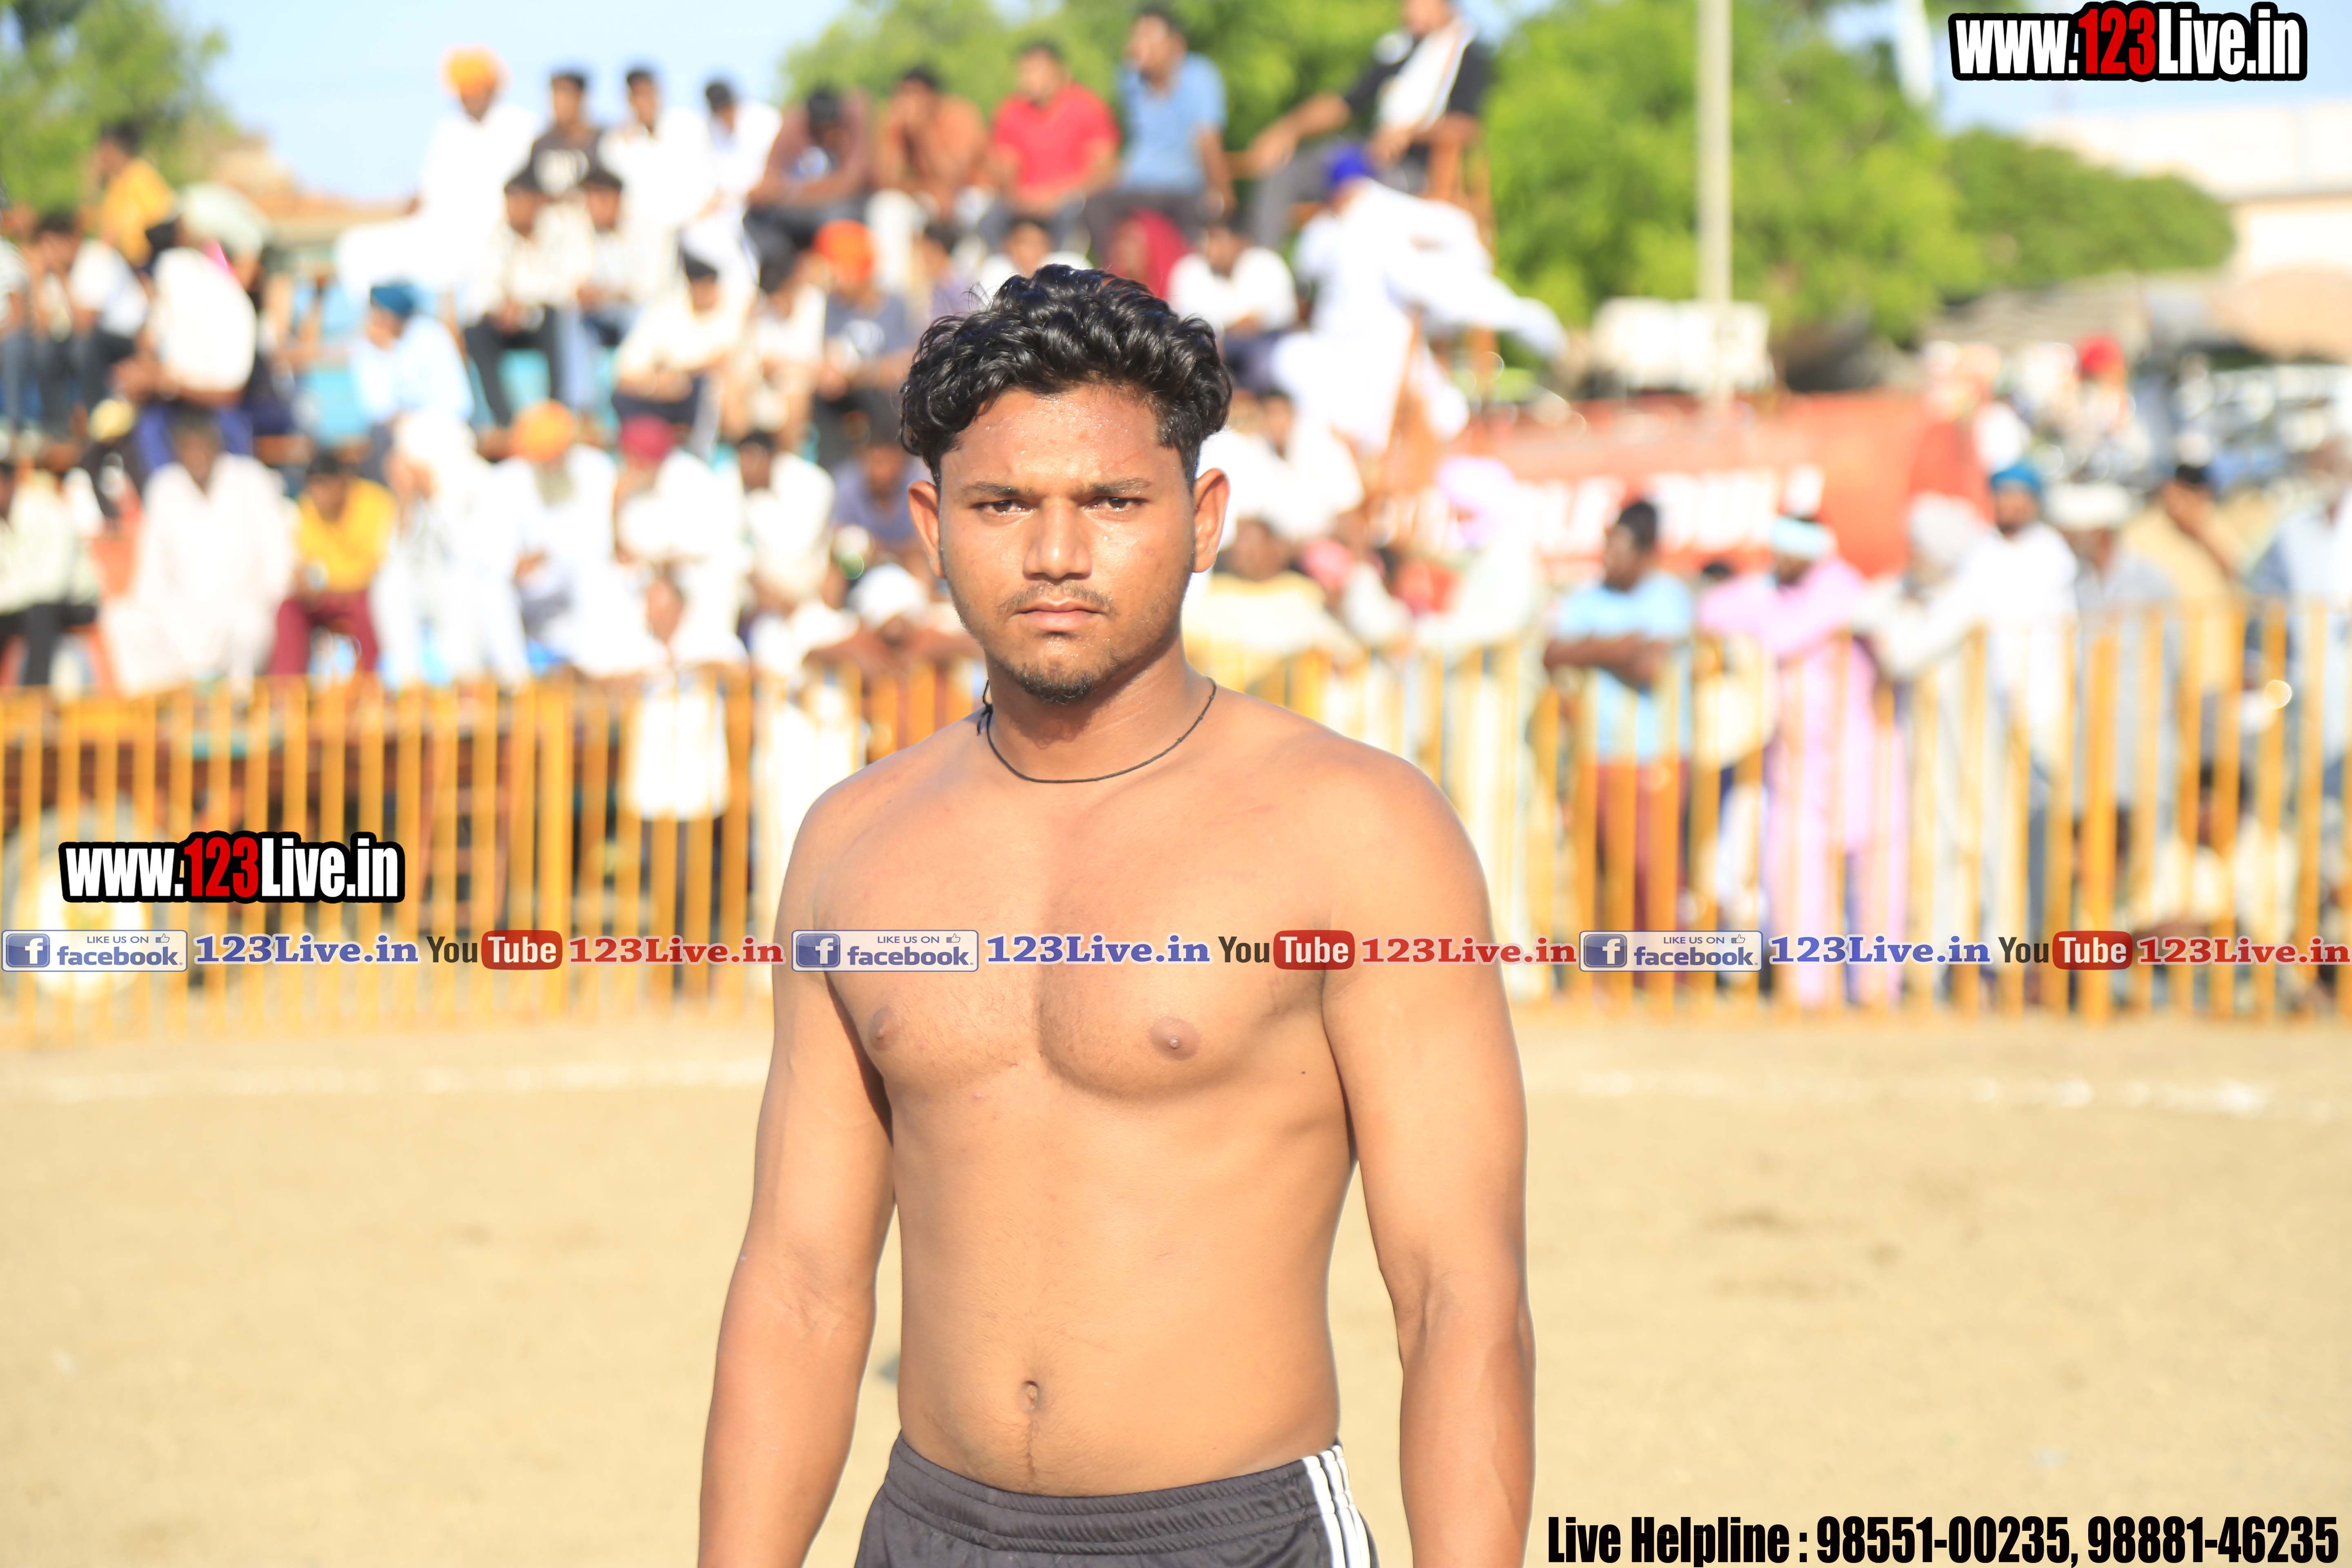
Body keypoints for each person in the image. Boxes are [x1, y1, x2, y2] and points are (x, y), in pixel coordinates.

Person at [697, 263, 1532, 1568]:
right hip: (928, 1534)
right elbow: (800, 1285)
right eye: (1002, 505)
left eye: (1113, 502)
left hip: (1235, 1538)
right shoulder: (854, 843)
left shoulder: (1359, 833)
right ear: (931, 523)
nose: (1056, 554)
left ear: (1203, 517)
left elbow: (1457, 1293)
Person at [1696, 516, 1898, 1006]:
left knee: (1874, 882)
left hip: (1858, 758)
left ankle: (1876, 990)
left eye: (1790, 552)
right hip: (1794, 763)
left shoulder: (1842, 588)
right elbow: (1711, 610)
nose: (1780, 561)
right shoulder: (1774, 591)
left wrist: (1756, 619)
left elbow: (1785, 636)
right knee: (1792, 875)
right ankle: (1807, 990)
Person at [1544, 499, 1693, 932]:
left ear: (1646, 552)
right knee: (1601, 876)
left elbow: (1648, 666)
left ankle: (1666, 967)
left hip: (1655, 754)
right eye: (1606, 546)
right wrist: (1621, 645)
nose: (1608, 557)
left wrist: (1588, 647)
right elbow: (1551, 653)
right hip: (1595, 752)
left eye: (1619, 548)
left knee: (1652, 873)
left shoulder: (1669, 597)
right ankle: (1613, 966)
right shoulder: (1586, 596)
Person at [1241, 0, 1494, 248]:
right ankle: (1261, 262)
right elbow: (1345, 103)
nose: (1406, 11)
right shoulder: (1401, 49)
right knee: (1284, 172)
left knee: (1355, 198)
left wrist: (1409, 134)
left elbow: (1466, 126)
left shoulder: (1469, 55)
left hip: (1414, 171)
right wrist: (1288, 130)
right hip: (1370, 156)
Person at [107, 411, 294, 693]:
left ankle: (237, 706)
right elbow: (152, 571)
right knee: (122, 619)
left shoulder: (250, 479)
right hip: (185, 616)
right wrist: (166, 613)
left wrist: (265, 598)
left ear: (216, 446)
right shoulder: (165, 488)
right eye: (188, 448)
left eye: (202, 447)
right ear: (176, 452)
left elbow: (278, 557)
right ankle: (161, 707)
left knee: (251, 628)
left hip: (243, 608)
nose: (196, 456)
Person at [335, 48, 538, 298]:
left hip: (492, 235)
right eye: (463, 90)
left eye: (475, 88)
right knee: (355, 246)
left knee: (454, 268)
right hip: (437, 231)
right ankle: (379, 318)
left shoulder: (522, 126)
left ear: (491, 88)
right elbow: (428, 192)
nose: (468, 96)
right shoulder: (448, 130)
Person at [1085, 7, 1232, 247]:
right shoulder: (1129, 79)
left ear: (1176, 44)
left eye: (1148, 37)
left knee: (1197, 225)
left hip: (1184, 187)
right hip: (1138, 183)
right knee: (1094, 206)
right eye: (1135, 37)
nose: (1137, 46)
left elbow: (1208, 142)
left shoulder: (1200, 75)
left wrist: (1222, 192)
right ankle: (1114, 269)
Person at [462, 171, 590, 429]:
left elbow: (570, 286)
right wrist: (500, 308)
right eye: (509, 203)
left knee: (558, 319)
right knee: (475, 332)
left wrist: (525, 303)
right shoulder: (498, 237)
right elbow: (481, 290)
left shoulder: (560, 233)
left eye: (519, 202)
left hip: (542, 319)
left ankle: (557, 412)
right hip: (506, 323)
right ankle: (505, 421)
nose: (513, 210)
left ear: (537, 203)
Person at [981, 41, 1119, 251]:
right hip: (1023, 202)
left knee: (1073, 217)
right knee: (989, 222)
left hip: (1071, 199)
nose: (1029, 79)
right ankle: (1001, 266)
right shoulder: (1011, 112)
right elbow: (1005, 167)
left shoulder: (1088, 107)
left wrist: (1055, 196)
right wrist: (1020, 197)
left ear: (1061, 72)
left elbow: (1105, 170)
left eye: (1037, 71)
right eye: (1024, 72)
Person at [271, 449, 393, 676]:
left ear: (343, 483)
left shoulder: (375, 503)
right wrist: (305, 582)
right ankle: (288, 688)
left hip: (362, 595)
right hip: (325, 596)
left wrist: (328, 585)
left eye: (325, 486)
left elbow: (375, 567)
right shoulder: (309, 508)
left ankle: (374, 684)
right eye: (314, 488)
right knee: (289, 609)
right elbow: (306, 560)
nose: (319, 496)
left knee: (371, 609)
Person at [869, 67, 989, 294]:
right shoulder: (897, 121)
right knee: (887, 206)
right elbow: (885, 181)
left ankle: (966, 291)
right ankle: (893, 294)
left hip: (970, 194)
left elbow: (956, 176)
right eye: (904, 94)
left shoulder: (960, 115)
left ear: (933, 95)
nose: (909, 102)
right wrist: (897, 134)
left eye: (916, 94)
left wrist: (922, 133)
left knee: (973, 211)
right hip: (927, 195)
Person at [810, 222, 915, 469]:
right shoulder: (833, 305)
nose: (835, 278)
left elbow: (901, 367)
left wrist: (858, 373)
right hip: (844, 402)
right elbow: (829, 359)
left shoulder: (895, 305)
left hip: (884, 404)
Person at [611, 251, 748, 437]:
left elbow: (722, 363)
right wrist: (659, 383)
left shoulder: (729, 313)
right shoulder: (665, 311)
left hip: (702, 398)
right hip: (661, 394)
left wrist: (683, 375)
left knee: (712, 390)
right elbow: (626, 370)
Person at [0, 445, 103, 686]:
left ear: (11, 482)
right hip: (22, 603)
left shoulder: (47, 510)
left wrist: (10, 595)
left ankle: (36, 694)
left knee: (41, 613)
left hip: (74, 602)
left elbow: (52, 585)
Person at [744, 86, 874, 265]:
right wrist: (768, 192)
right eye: (823, 131)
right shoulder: (795, 126)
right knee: (757, 216)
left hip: (844, 207)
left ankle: (839, 272)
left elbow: (852, 182)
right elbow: (771, 179)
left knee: (838, 219)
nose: (828, 137)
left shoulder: (855, 118)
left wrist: (789, 190)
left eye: (832, 130)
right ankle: (780, 273)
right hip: (803, 208)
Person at [1166, 216, 1296, 392]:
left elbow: (1283, 315)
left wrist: (1242, 328)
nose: (1211, 247)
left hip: (1261, 345)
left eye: (1218, 239)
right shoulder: (1189, 270)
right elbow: (1181, 321)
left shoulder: (1266, 264)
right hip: (1207, 347)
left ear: (1240, 242)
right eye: (1208, 238)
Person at [349, 283, 475, 462]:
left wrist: (417, 422)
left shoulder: (431, 335)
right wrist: (384, 355)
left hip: (438, 429)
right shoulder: (367, 348)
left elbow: (458, 402)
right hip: (394, 435)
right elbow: (376, 409)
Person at [601, 65, 717, 240]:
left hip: (698, 229)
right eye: (640, 95)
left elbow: (710, 177)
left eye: (650, 94)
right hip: (645, 237)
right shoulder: (616, 143)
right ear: (630, 100)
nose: (647, 102)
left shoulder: (689, 126)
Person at [829, 409, 921, 553]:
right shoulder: (845, 486)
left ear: (902, 461)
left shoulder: (917, 486)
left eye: (886, 462)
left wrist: (882, 550)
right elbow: (836, 540)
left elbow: (922, 546)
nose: (880, 472)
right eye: (875, 462)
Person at [88, 121, 176, 268]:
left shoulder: (140, 176)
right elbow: (107, 235)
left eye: (100, 150)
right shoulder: (115, 185)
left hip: (151, 264)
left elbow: (164, 222)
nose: (98, 157)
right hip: (128, 266)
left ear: (111, 149)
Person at [702, 79, 786, 225]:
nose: (726, 117)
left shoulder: (765, 118)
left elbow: (782, 165)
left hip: (773, 202)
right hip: (733, 209)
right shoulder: (711, 130)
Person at [973, 213, 1089, 301]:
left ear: (1049, 245)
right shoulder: (993, 269)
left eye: (1037, 243)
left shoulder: (1072, 267)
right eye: (1024, 243)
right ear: (1007, 245)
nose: (1031, 250)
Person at [528, 69, 604, 200]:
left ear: (580, 98)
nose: (559, 104)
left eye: (565, 96)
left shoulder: (602, 141)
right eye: (555, 97)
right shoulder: (541, 145)